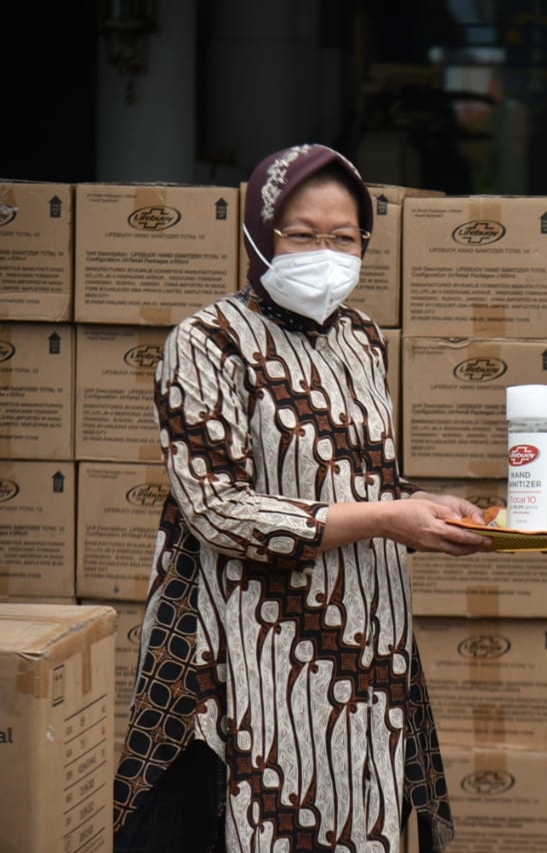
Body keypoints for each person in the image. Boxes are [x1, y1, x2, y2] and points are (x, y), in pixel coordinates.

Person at [113, 143, 492, 853]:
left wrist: (424, 510)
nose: (326, 251)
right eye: (303, 233)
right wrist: (387, 515)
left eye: (344, 237)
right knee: (259, 820)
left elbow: (365, 478)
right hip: (250, 644)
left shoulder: (362, 339)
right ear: (259, 231)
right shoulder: (207, 342)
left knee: (360, 807)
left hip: (365, 643)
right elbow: (218, 507)